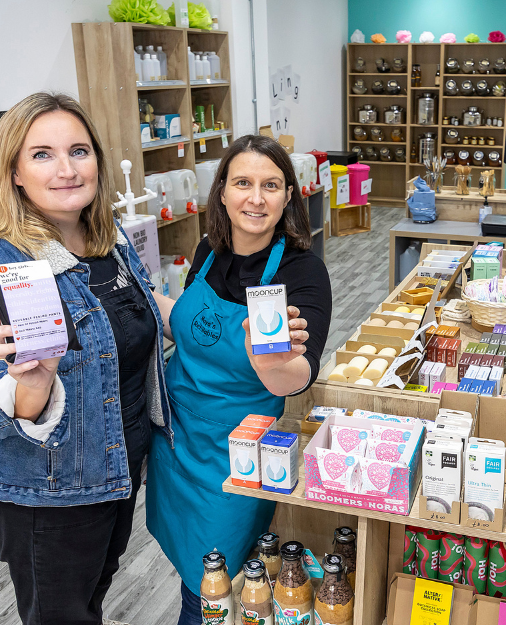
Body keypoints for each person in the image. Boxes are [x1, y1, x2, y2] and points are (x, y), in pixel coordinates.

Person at [0, 92, 171, 625]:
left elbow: (142, 315)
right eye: (42, 154)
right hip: (50, 495)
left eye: (79, 151)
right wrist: (34, 384)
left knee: (89, 600)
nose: (66, 169)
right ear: (14, 172)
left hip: (118, 468)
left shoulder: (107, 238)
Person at [145, 135, 332, 625]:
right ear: (221, 192)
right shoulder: (207, 251)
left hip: (235, 459)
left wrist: (269, 362)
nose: (256, 197)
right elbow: (188, 328)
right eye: (243, 183)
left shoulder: (302, 271)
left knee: (213, 587)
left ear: (289, 196)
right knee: (191, 573)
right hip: (177, 441)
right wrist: (140, 302)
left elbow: (298, 377)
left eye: (271, 185)